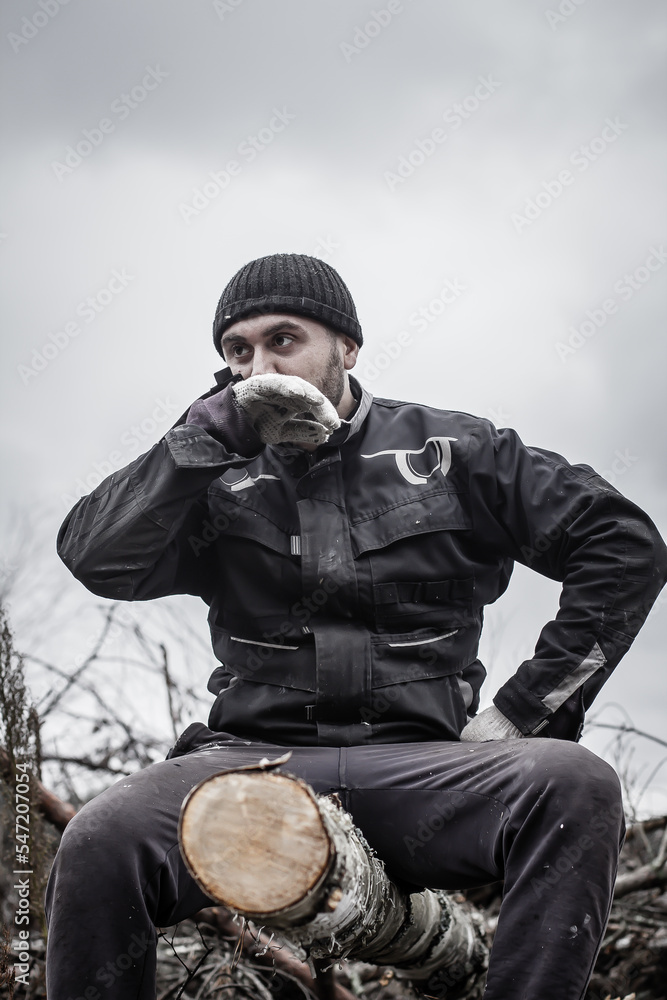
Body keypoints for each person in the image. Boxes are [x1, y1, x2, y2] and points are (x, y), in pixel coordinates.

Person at [47, 253, 667, 1000]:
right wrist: (197, 442)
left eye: (283, 340)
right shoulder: (210, 475)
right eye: (236, 351)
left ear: (346, 347)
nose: (257, 365)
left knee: (576, 782)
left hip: (426, 772)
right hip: (250, 769)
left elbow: (622, 546)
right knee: (100, 837)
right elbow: (94, 559)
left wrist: (524, 710)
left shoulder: (450, 452)